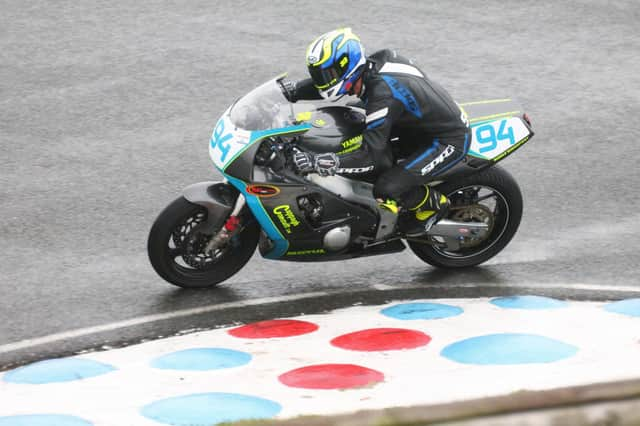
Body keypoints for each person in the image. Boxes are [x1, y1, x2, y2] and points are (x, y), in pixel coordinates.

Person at [284, 28, 470, 235]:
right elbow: (323, 87)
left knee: (387, 187)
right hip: (414, 125)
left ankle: (434, 206)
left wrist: (323, 161)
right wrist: (294, 91)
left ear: (349, 66)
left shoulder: (382, 95)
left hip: (446, 139)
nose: (323, 81)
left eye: (327, 74)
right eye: (319, 75)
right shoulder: (372, 66)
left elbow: (370, 154)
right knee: (350, 119)